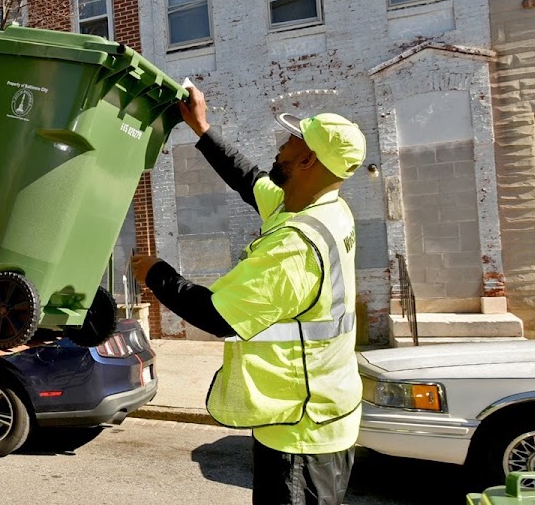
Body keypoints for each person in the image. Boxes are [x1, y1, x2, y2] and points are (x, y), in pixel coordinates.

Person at [131, 85, 365, 505]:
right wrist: (202, 129)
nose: (280, 149)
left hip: (302, 431)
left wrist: (155, 273)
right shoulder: (321, 207)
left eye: (291, 143)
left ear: (309, 160)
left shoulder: (296, 244)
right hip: (317, 414)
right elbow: (248, 179)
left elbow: (217, 316)